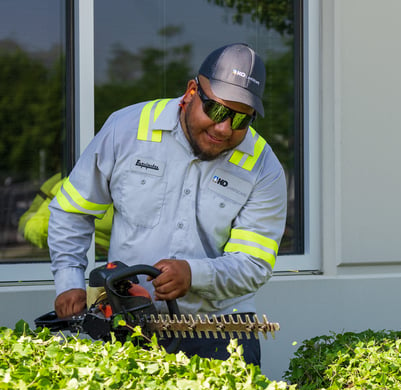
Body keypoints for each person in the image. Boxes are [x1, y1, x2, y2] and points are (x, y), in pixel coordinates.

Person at [47, 43, 287, 366]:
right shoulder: (126, 130)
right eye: (217, 110)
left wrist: (193, 275)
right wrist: (69, 282)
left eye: (242, 120)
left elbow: (253, 264)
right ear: (191, 92)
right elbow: (72, 210)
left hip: (220, 334)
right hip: (129, 324)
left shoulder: (264, 169)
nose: (224, 128)